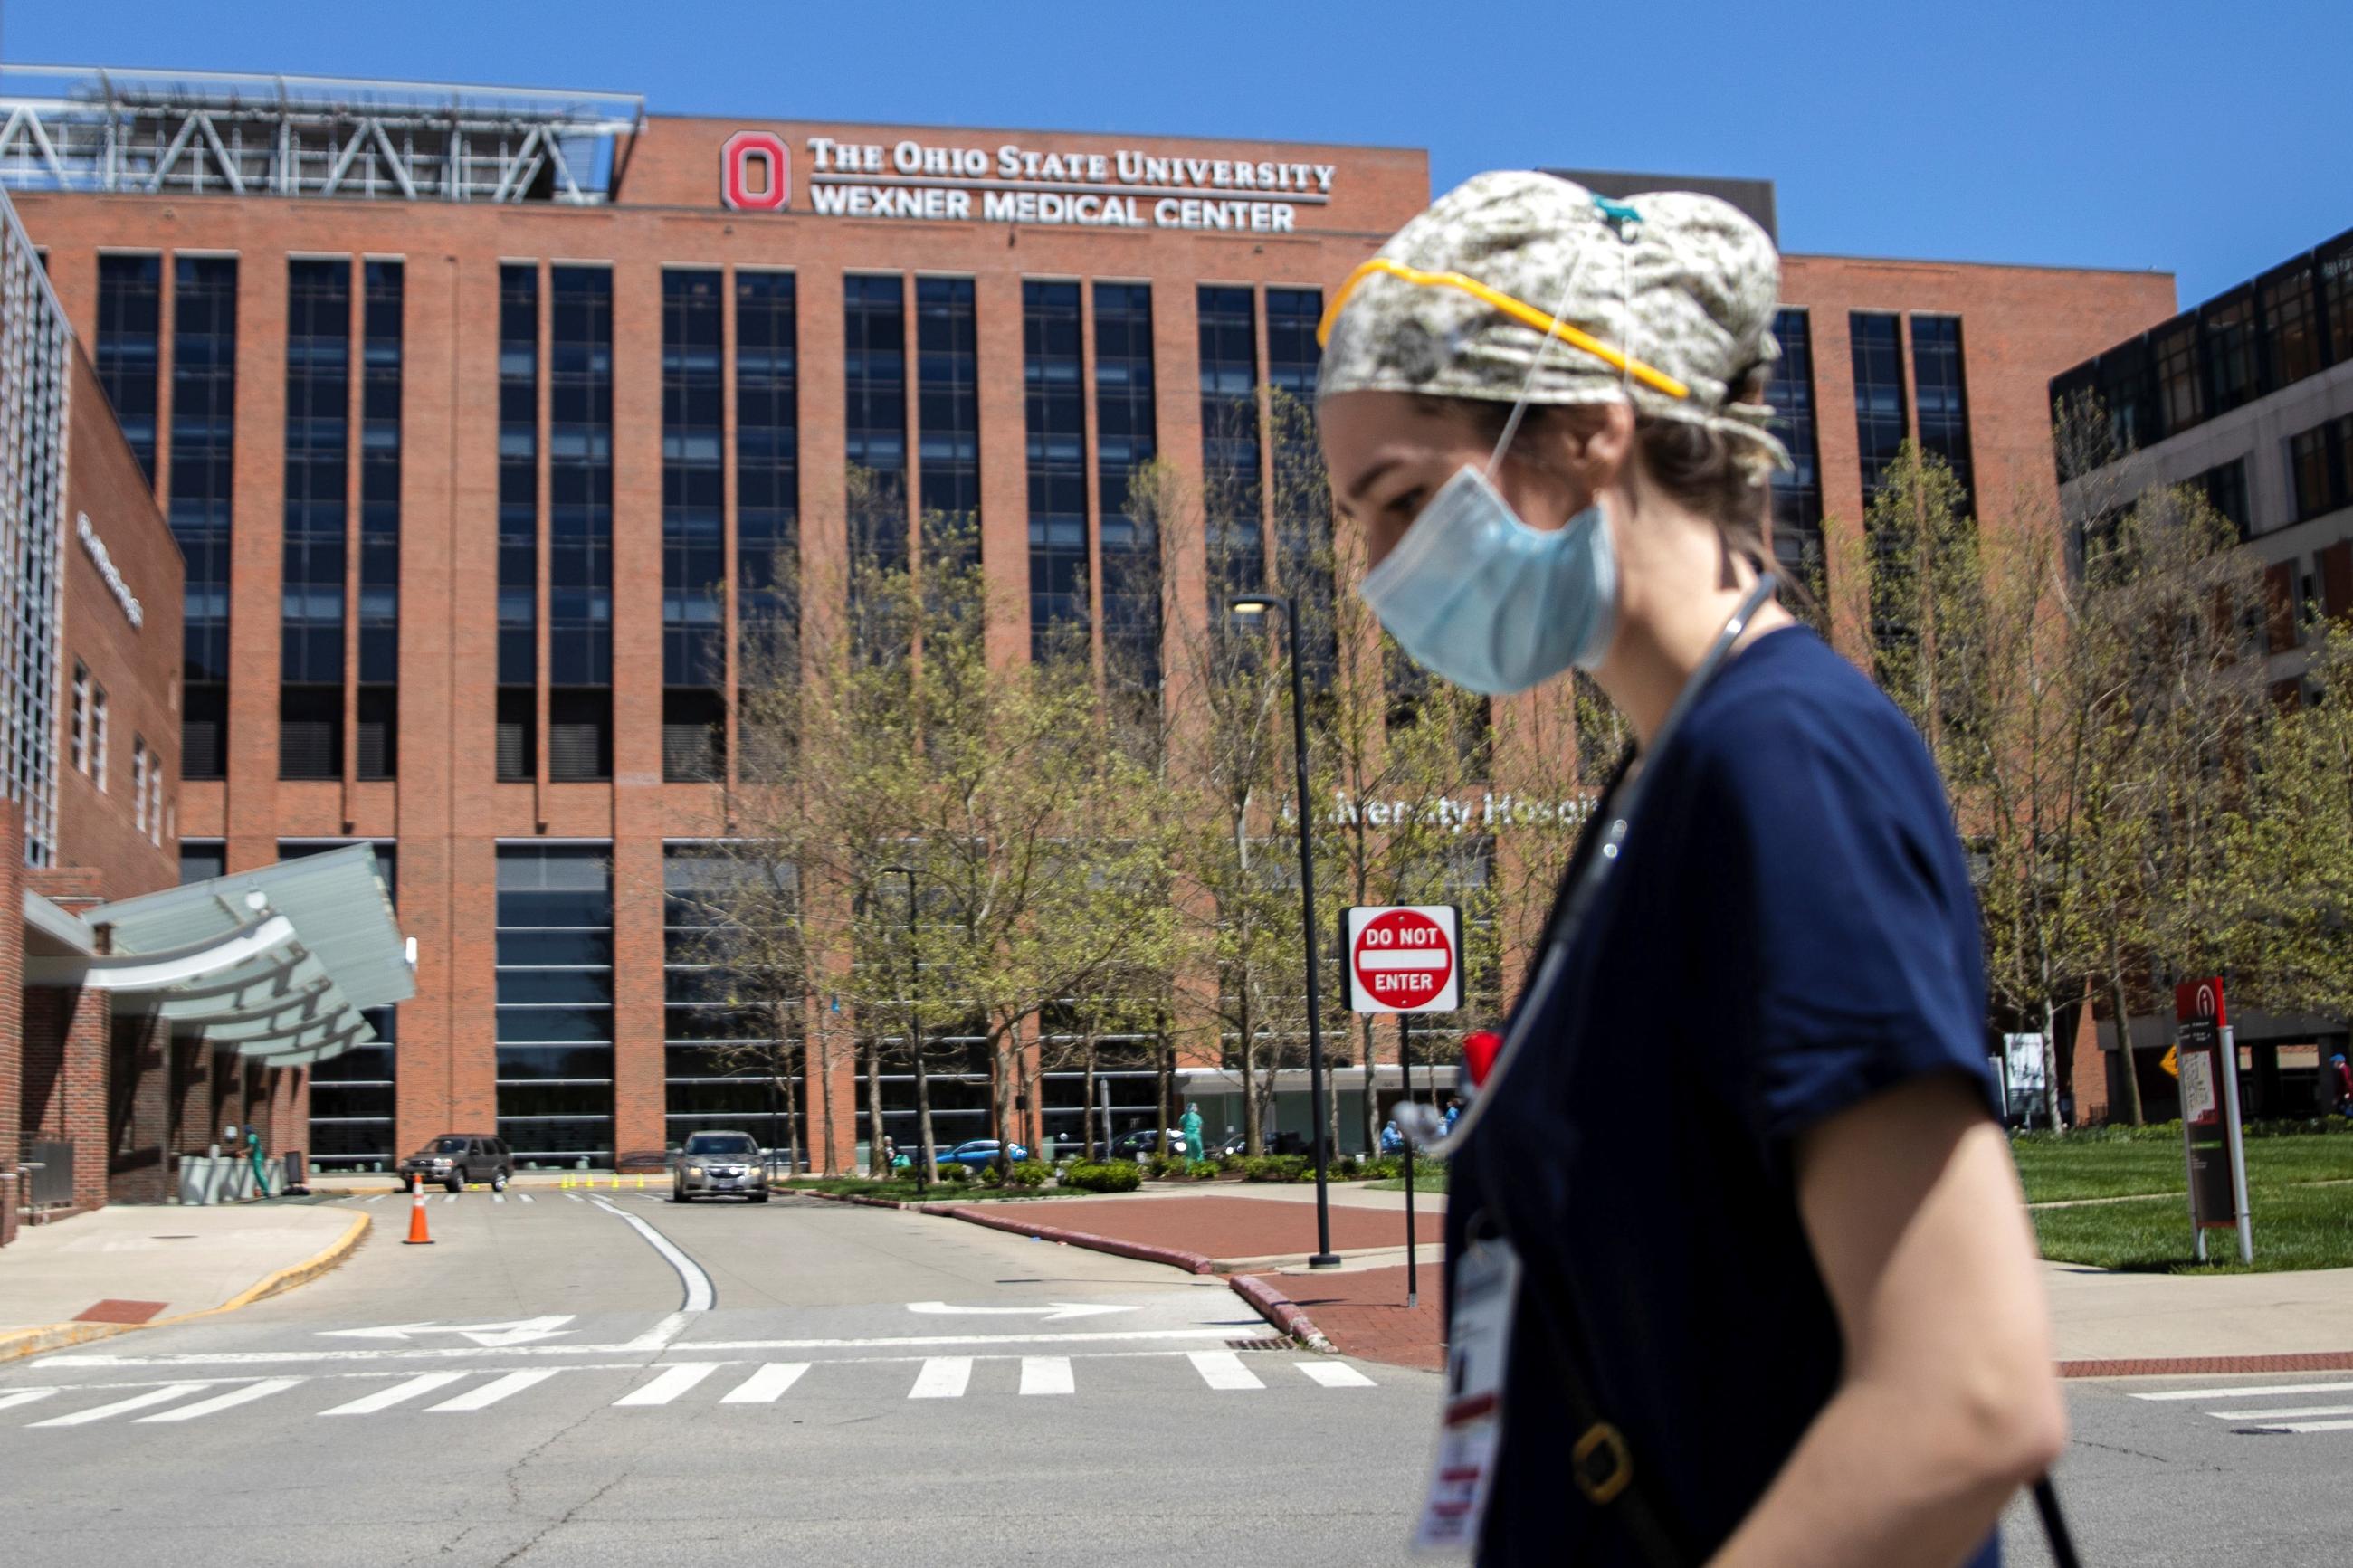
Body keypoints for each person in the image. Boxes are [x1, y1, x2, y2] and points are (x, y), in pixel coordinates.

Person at [1317, 171, 2062, 1565]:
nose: (1376, 568)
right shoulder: (1657, 794)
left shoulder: (1784, 764)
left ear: (1593, 428)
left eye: (1405, 498)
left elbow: (1964, 1398)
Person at [2332, 1052, 2353, 1117]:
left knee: (2347, 1111)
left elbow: (2346, 1081)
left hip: (2349, 1094)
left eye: (2334, 1062)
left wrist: (2347, 1093)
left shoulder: (2344, 1069)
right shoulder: (2345, 1069)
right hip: (2347, 1094)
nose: (2333, 1064)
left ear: (2339, 1062)